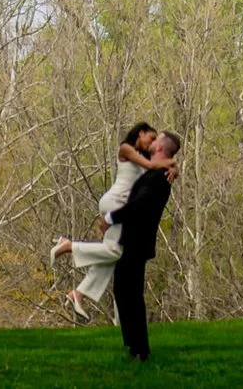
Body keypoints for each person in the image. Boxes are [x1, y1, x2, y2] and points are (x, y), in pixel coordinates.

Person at [49, 122, 176, 319]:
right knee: (116, 250)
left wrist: (175, 167)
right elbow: (152, 166)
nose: (151, 143)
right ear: (140, 133)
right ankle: (69, 246)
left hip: (121, 207)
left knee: (112, 256)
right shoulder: (126, 149)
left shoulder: (143, 156)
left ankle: (79, 294)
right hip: (115, 204)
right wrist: (172, 164)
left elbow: (156, 165)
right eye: (150, 138)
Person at [107, 129, 178, 362]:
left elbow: (138, 206)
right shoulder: (158, 171)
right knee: (122, 291)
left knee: (132, 295)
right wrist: (174, 164)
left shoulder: (158, 177)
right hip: (133, 240)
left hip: (138, 241)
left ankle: (140, 350)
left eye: (156, 140)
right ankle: (133, 345)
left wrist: (110, 218)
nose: (152, 140)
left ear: (159, 148)